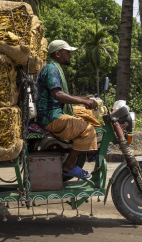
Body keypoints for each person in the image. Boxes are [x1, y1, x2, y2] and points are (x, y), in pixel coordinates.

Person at [36, 40, 100, 179]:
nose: (70, 56)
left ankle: (91, 151)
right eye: (68, 52)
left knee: (87, 113)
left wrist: (83, 98)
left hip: (55, 110)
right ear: (58, 54)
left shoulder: (54, 67)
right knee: (87, 129)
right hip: (51, 116)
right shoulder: (51, 69)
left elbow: (60, 94)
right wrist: (84, 100)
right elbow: (57, 94)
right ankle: (69, 165)